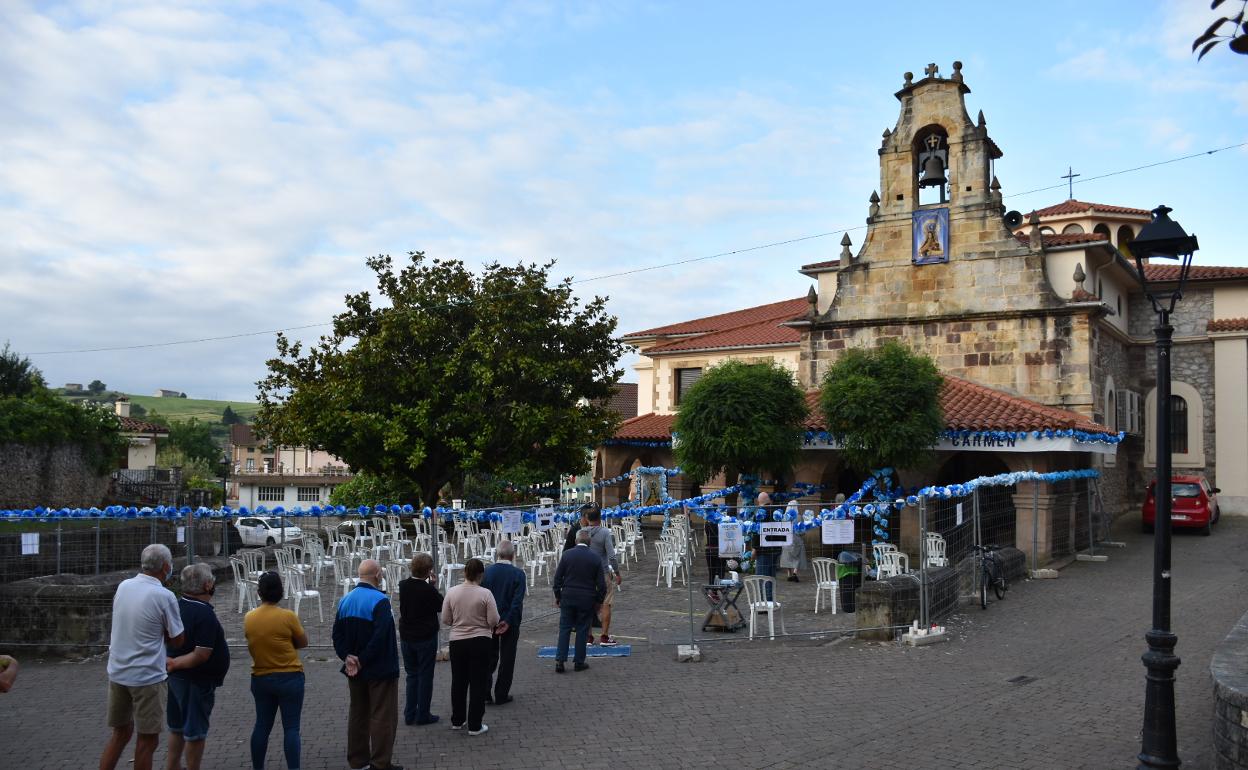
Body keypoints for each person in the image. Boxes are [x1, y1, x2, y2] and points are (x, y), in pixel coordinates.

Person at [100, 544, 185, 770]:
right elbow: (178, 639)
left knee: (120, 733)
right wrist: (163, 633)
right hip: (147, 676)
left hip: (118, 671)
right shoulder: (164, 595)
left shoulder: (124, 586)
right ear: (166, 567)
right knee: (147, 740)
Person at [333, 559, 402, 770]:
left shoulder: (345, 600)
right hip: (379, 669)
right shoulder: (380, 601)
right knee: (382, 716)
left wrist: (347, 657)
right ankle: (381, 762)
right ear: (378, 575)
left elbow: (337, 635)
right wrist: (362, 659)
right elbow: (381, 636)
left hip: (354, 669)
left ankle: (357, 760)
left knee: (358, 713)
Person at [164, 563, 229, 770]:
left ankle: (172, 766)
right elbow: (201, 654)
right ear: (207, 584)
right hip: (195, 680)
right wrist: (175, 663)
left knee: (177, 727)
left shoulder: (177, 605)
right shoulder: (204, 614)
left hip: (176, 678)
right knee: (195, 731)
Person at [244, 571, 307, 770]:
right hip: (289, 676)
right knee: (291, 728)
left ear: (259, 592)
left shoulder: (250, 617)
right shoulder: (288, 616)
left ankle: (258, 767)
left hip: (261, 677)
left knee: (262, 726)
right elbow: (303, 642)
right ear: (280, 591)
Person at [441, 557, 500, 736]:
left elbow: (446, 619)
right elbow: (493, 620)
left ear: (465, 573)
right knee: (478, 682)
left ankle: (457, 720)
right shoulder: (485, 594)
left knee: (458, 681)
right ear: (481, 574)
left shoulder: (452, 592)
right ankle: (475, 724)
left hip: (457, 641)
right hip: (480, 640)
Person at [551, 529, 606, 673]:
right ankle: (579, 661)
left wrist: (558, 596)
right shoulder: (595, 558)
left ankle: (560, 660)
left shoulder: (567, 555)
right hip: (586, 599)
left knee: (565, 628)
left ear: (576, 541)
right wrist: (598, 601)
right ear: (590, 542)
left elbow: (557, 579)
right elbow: (602, 585)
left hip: (568, 596)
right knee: (582, 630)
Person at [398, 552, 442, 726]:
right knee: (425, 675)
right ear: (428, 571)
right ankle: (423, 713)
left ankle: (410, 713)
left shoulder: (404, 586)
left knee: (411, 675)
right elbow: (440, 604)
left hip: (407, 635)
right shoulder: (427, 590)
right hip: (424, 636)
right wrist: (432, 586)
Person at [481, 540, 526, 705]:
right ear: (513, 555)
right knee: (507, 658)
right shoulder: (518, 574)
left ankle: (485, 692)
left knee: (488, 657)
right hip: (510, 621)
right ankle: (501, 693)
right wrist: (507, 620)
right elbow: (517, 601)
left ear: (496, 554)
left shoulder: (486, 573)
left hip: (489, 621)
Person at [581, 506, 622, 646]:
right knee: (606, 603)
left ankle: (588, 636)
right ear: (600, 518)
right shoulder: (605, 532)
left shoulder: (581, 532)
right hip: (602, 572)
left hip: (586, 573)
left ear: (587, 518)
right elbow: (611, 556)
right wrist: (617, 573)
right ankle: (604, 636)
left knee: (587, 604)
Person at [752, 491, 780, 600]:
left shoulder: (760, 513)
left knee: (762, 577)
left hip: (763, 550)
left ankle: (763, 602)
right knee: (771, 576)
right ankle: (770, 600)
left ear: (759, 502)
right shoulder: (776, 512)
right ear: (769, 500)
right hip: (776, 549)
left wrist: (755, 549)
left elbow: (756, 533)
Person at [779, 500, 809, 582]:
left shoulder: (784, 517)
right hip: (797, 539)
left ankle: (789, 574)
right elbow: (802, 531)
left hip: (786, 539)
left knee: (787, 556)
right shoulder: (799, 517)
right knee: (798, 556)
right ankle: (795, 573)